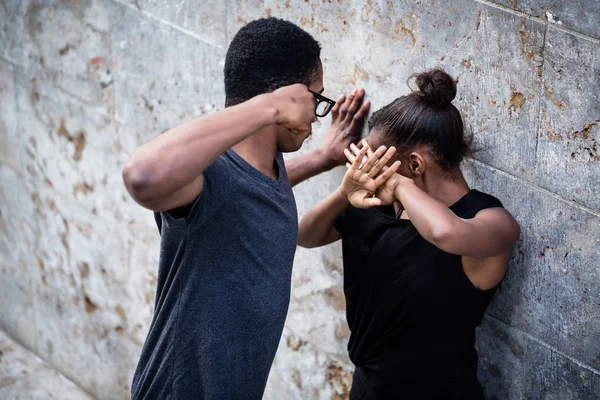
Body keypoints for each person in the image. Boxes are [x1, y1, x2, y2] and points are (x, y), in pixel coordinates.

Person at [122, 18, 370, 399]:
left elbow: (250, 193)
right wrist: (271, 107)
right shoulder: (207, 174)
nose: (315, 116)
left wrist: (323, 157)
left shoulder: (269, 165)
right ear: (289, 98)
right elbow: (141, 176)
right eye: (315, 99)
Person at [298, 69, 520, 399]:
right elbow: (305, 235)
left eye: (376, 161)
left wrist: (398, 184)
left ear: (414, 165)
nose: (367, 169)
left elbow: (445, 233)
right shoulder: (379, 206)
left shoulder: (491, 221)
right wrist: (345, 192)